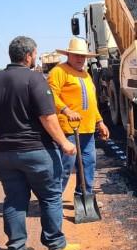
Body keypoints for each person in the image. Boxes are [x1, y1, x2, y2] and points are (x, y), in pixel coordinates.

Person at [0, 36, 81, 250]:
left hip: (3, 154)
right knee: (50, 197)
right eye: (35, 54)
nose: (35, 57)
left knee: (14, 199)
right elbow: (47, 117)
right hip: (36, 152)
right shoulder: (34, 80)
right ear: (28, 56)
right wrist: (64, 143)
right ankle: (56, 245)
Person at [47, 37, 110, 206]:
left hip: (88, 129)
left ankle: (85, 197)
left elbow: (92, 102)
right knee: (66, 166)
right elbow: (51, 96)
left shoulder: (86, 75)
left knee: (89, 163)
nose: (80, 59)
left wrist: (100, 122)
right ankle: (54, 200)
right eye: (76, 55)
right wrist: (66, 110)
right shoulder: (59, 72)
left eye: (83, 56)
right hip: (68, 129)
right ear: (68, 54)